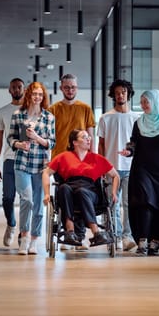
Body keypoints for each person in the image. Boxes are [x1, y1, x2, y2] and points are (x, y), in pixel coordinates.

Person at [119, 89, 159, 256]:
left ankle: (155, 241)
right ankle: (142, 240)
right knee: (145, 201)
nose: (143, 106)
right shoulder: (139, 123)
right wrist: (129, 151)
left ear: (156, 102)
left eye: (146, 102)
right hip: (142, 168)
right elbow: (133, 143)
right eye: (142, 102)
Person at [42, 129, 119, 247]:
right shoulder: (64, 157)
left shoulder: (97, 158)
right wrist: (47, 193)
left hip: (90, 192)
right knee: (63, 188)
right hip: (69, 190)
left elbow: (115, 176)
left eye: (89, 137)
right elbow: (46, 173)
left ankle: (96, 233)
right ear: (75, 142)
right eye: (84, 137)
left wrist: (114, 192)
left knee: (81, 191)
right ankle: (70, 232)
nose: (89, 139)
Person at [48, 73, 96, 250]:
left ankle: (80, 236)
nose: (70, 90)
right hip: (60, 162)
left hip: (82, 161)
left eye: (73, 87)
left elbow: (90, 135)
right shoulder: (53, 110)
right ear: (61, 88)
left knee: (81, 193)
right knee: (65, 194)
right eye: (67, 87)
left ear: (77, 88)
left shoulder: (85, 108)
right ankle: (68, 235)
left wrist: (93, 158)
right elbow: (48, 136)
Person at [7, 82, 55, 255]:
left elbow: (52, 142)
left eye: (40, 94)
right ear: (29, 95)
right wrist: (19, 144)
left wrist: (37, 138)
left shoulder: (49, 117)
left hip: (41, 165)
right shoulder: (17, 115)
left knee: (39, 204)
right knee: (27, 200)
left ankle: (35, 240)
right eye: (34, 94)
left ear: (44, 97)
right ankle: (24, 238)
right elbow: (10, 138)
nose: (37, 97)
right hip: (21, 163)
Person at [97, 79, 139, 251]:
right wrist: (100, 167)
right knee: (112, 204)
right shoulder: (106, 118)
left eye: (123, 92)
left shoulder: (137, 118)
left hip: (131, 168)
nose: (120, 95)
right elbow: (100, 144)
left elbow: (138, 144)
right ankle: (115, 236)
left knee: (129, 204)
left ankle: (127, 236)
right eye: (117, 93)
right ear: (113, 95)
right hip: (110, 168)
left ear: (128, 94)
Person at [0, 77, 25, 247]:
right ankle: (11, 224)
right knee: (8, 198)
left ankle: (23, 233)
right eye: (14, 87)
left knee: (26, 199)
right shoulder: (2, 112)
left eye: (19, 87)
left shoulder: (30, 111)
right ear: (9, 90)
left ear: (24, 89)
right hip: (9, 160)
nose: (17, 90)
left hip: (27, 160)